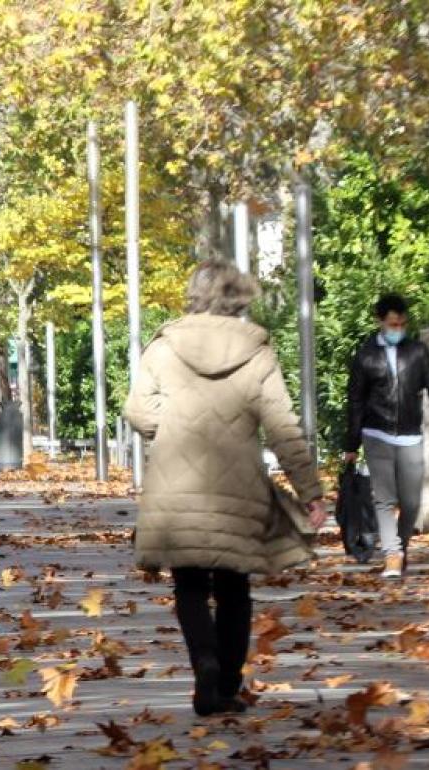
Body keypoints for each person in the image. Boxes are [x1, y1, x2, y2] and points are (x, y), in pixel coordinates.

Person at [124, 260, 327, 717]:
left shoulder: (164, 346)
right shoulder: (256, 350)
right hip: (239, 483)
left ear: (193, 292)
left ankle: (206, 668)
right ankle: (230, 683)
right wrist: (310, 491)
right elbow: (282, 426)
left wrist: (173, 424)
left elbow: (137, 411)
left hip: (177, 481)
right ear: (238, 295)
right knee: (235, 587)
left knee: (190, 585)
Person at [342, 293, 429, 579]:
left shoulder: (418, 352)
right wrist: (351, 443)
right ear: (380, 322)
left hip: (410, 435)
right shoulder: (365, 356)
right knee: (384, 498)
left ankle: (399, 547)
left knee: (411, 502)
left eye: (402, 324)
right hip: (376, 433)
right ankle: (392, 554)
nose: (398, 329)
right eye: (392, 324)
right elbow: (356, 401)